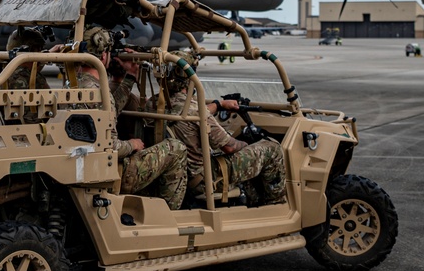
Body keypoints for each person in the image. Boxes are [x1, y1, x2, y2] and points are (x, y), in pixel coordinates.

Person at [72, 26, 188, 210]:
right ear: (103, 57)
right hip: (111, 172)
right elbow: (111, 147)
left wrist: (127, 78)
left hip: (79, 165)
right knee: (176, 149)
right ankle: (167, 215)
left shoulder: (71, 85)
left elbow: (109, 112)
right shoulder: (100, 93)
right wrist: (132, 145)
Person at [165, 50, 287, 206]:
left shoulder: (155, 104)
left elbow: (189, 113)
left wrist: (219, 104)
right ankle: (277, 206)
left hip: (179, 176)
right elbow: (229, 147)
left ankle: (252, 199)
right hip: (205, 178)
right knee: (271, 149)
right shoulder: (196, 110)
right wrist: (246, 144)